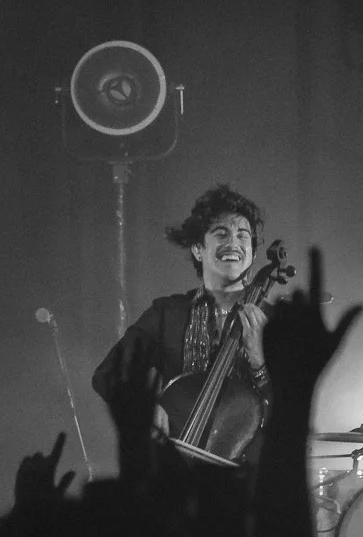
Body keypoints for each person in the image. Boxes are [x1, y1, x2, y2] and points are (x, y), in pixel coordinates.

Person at [92, 183, 271, 432]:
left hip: (251, 456)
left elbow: (294, 408)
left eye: (243, 235)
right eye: (221, 234)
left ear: (252, 253)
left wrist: (261, 362)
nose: (233, 243)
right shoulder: (167, 313)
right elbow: (109, 375)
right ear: (198, 249)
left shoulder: (274, 320)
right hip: (176, 452)